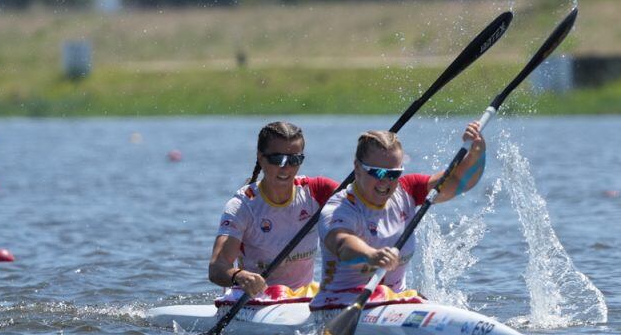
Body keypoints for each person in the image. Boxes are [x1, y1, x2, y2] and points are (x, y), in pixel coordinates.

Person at [310, 121, 486, 310]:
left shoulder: (407, 191)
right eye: (377, 172)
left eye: (394, 174)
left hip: (395, 300)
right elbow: (342, 244)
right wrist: (371, 255)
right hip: (339, 303)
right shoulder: (340, 206)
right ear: (357, 168)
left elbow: (460, 181)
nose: (385, 181)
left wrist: (477, 152)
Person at [208, 121, 338, 304]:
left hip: (302, 296)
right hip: (257, 299)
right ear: (261, 158)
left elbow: (364, 199)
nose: (286, 168)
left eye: (294, 160)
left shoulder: (318, 191)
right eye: (278, 160)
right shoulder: (243, 206)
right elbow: (217, 268)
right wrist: (239, 275)